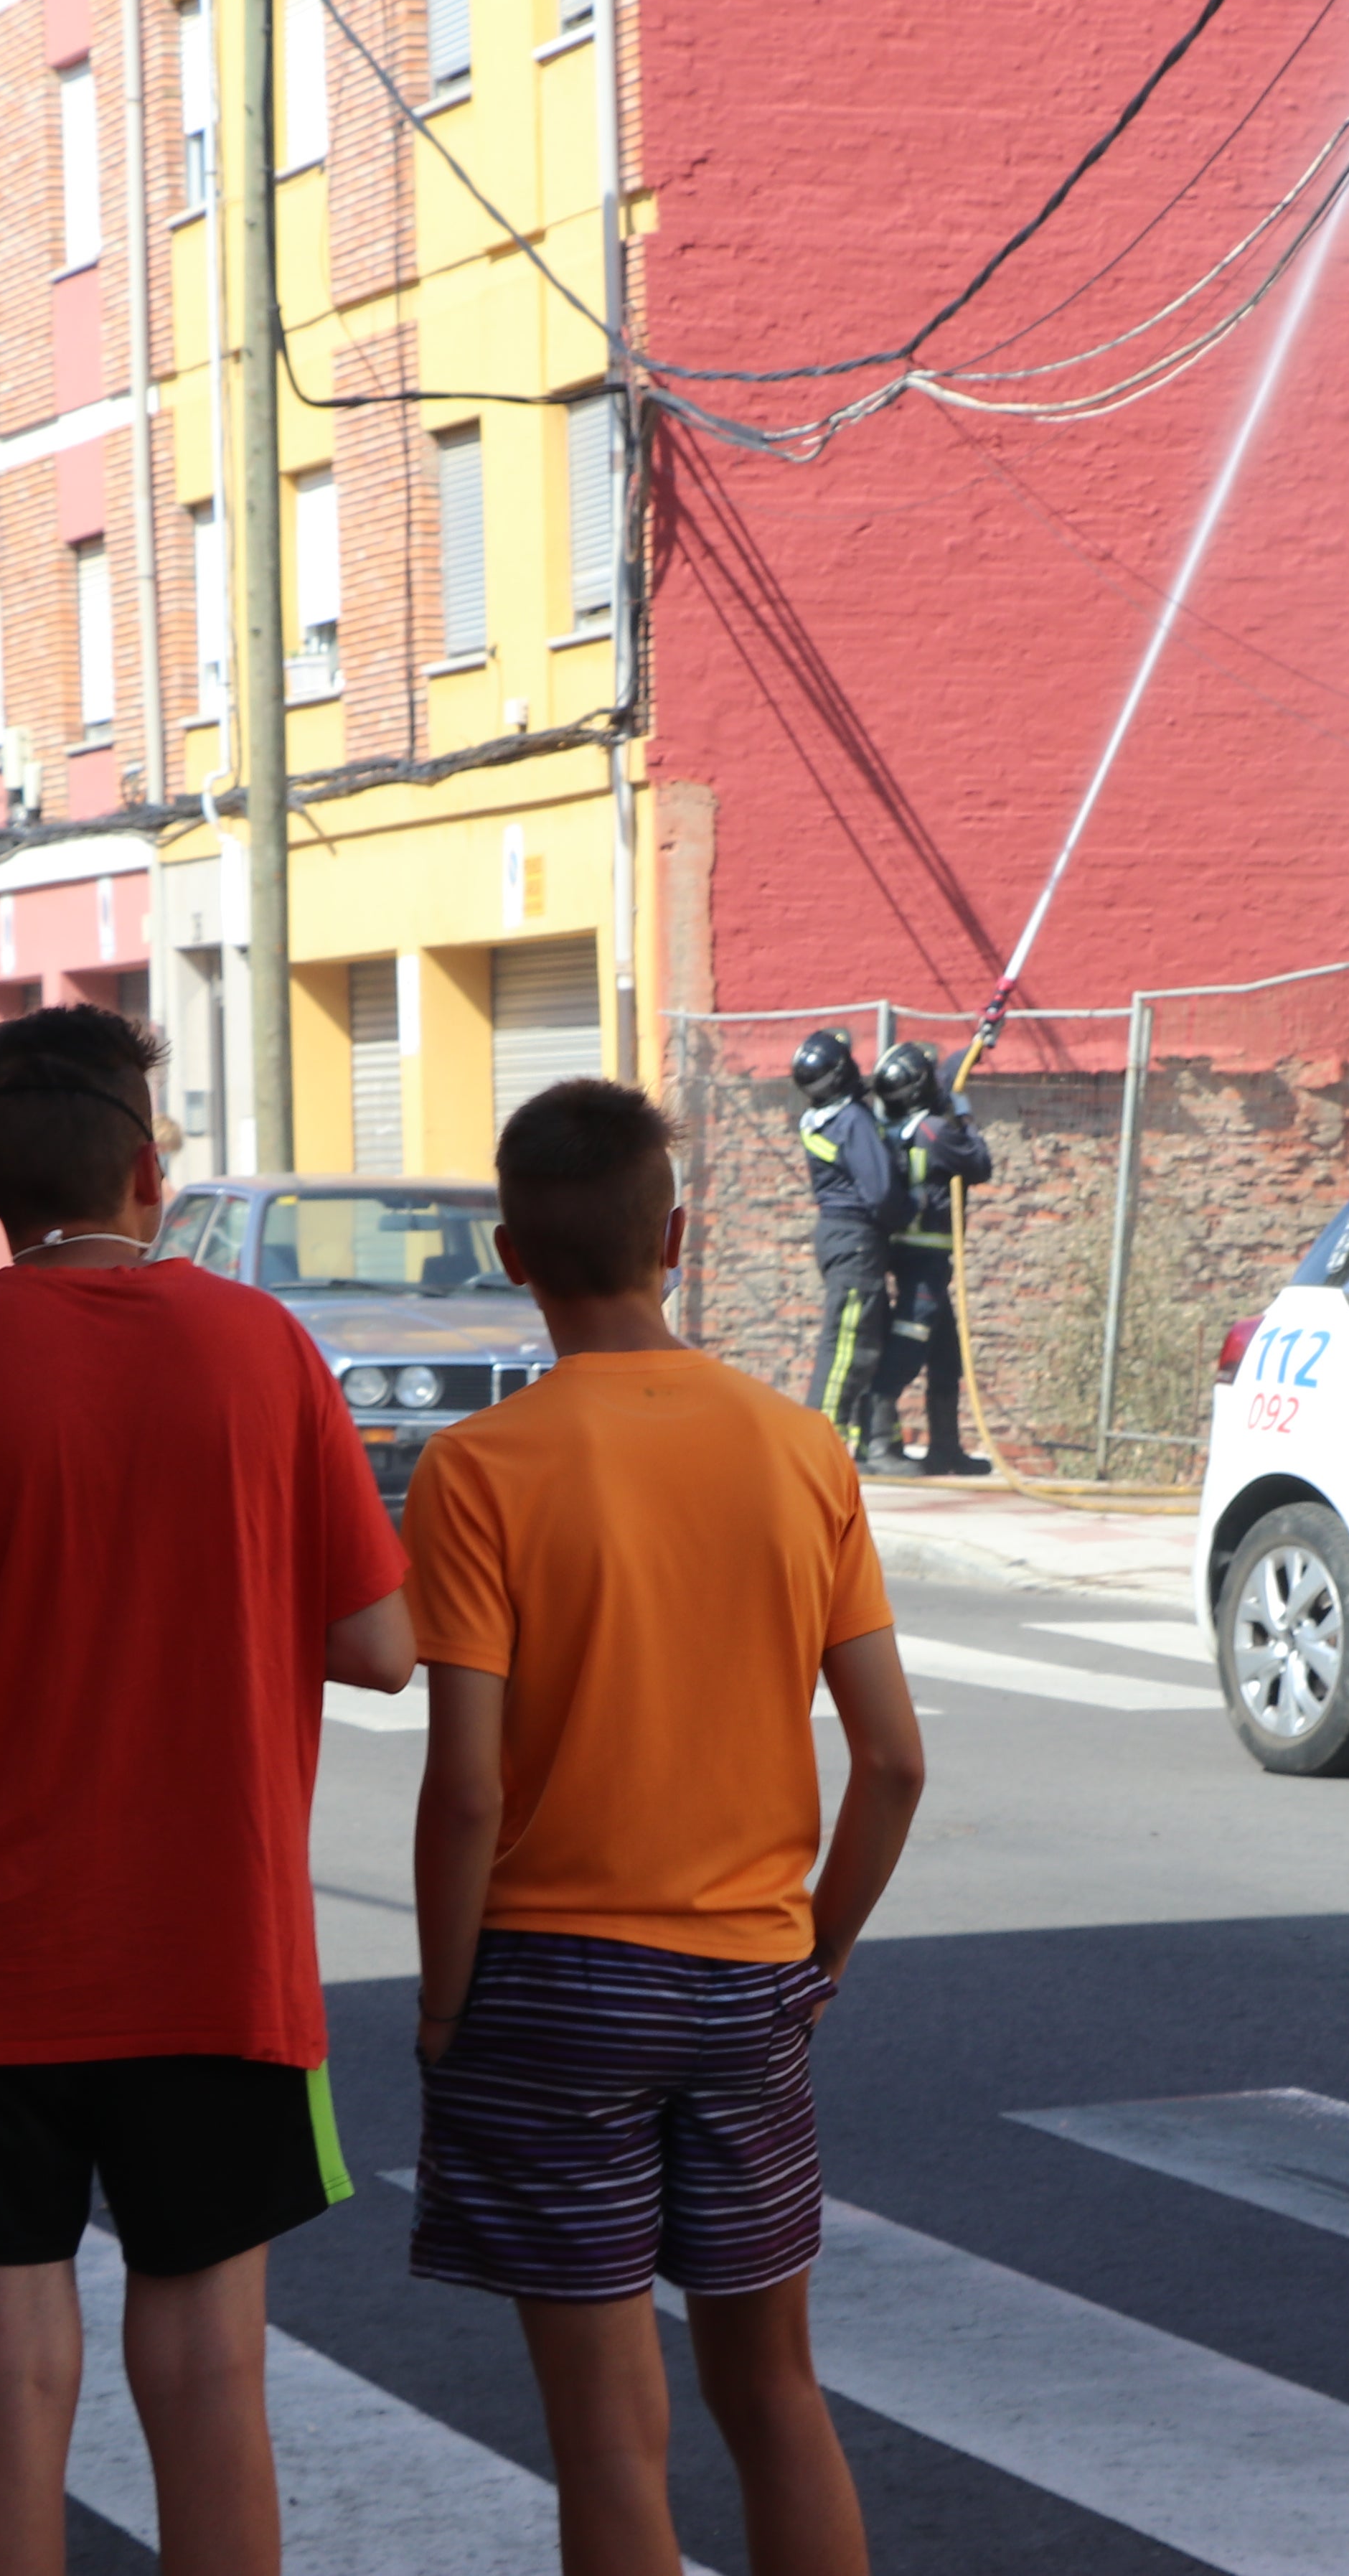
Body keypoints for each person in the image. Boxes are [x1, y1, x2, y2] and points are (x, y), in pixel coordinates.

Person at [0, 1006, 418, 2576]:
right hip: (213, 1950)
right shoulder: (265, 1347)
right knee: (211, 2370)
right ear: (150, 1168)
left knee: (7, 2382)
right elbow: (379, 1646)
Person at [405, 1077, 926, 2576]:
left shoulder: (480, 1468)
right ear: (678, 1235)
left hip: (550, 1982)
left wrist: (446, 2002)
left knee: (609, 2438)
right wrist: (814, 1945)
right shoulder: (800, 1446)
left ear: (510, 1253)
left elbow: (468, 1787)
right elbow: (891, 1760)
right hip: (750, 1975)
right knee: (775, 2389)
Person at [865, 1040, 994, 1479]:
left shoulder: (896, 1127)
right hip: (928, 1257)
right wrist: (965, 1114)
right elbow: (979, 1163)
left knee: (944, 1355)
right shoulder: (934, 1131)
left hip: (912, 1253)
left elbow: (944, 1075)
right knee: (909, 1345)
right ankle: (879, 1440)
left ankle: (946, 1449)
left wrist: (973, 1050)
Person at [791, 1031, 907, 1461]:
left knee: (862, 1339)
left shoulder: (822, 1116)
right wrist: (907, 1211)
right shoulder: (853, 1121)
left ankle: (868, 1440)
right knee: (847, 1345)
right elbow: (880, 1191)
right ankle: (820, 1446)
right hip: (857, 1239)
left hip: (840, 1236)